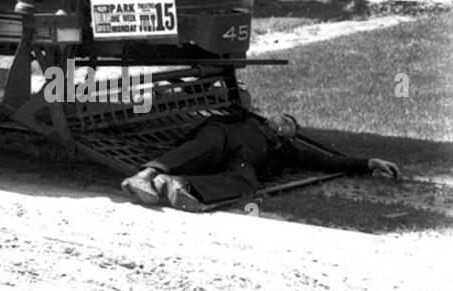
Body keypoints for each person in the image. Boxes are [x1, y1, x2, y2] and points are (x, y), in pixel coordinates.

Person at [120, 112, 401, 211]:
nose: (284, 123)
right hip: (223, 136)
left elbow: (327, 160)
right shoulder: (247, 119)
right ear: (270, 118)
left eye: (290, 124)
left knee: (246, 182)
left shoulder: (288, 150)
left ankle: (176, 184)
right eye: (282, 117)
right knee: (207, 144)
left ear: (291, 134)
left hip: (242, 160)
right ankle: (145, 176)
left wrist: (369, 162)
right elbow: (214, 125)